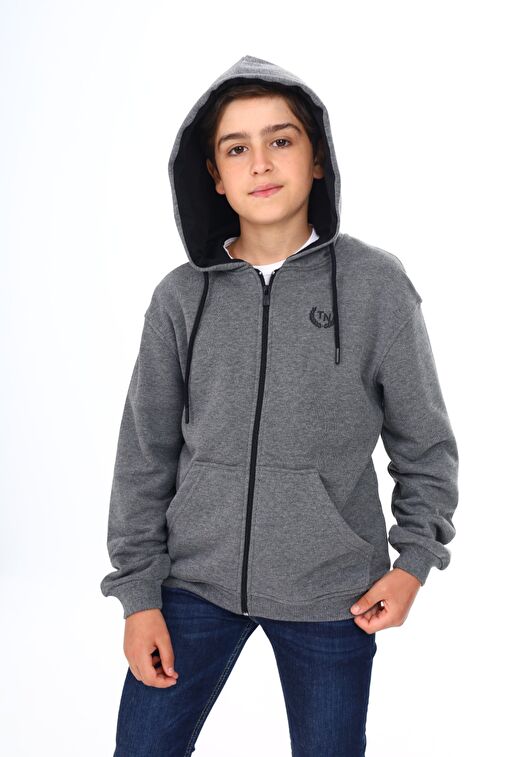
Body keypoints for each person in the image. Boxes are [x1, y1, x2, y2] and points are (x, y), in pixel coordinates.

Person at [100, 54, 459, 756]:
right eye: (237, 148)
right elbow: (144, 453)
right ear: (215, 174)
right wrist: (138, 596)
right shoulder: (181, 297)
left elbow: (424, 443)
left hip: (333, 593)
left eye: (281, 140)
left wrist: (413, 561)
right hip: (191, 584)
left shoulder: (375, 286)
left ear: (316, 158)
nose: (260, 163)